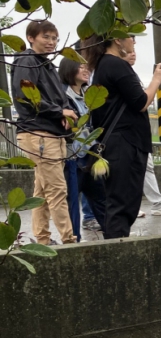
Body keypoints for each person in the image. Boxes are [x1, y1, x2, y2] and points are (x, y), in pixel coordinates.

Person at [82, 33, 161, 239]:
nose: (134, 41)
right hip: (125, 143)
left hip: (115, 143)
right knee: (123, 205)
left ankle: (116, 247)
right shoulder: (115, 65)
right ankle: (117, 252)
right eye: (131, 36)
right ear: (118, 40)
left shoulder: (103, 65)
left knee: (119, 202)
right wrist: (156, 79)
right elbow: (140, 102)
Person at [12, 20, 78, 245]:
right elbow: (25, 96)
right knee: (57, 190)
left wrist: (66, 113)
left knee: (42, 192)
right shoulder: (27, 60)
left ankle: (43, 238)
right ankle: (69, 239)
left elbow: (60, 98)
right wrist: (59, 111)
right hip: (38, 133)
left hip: (50, 132)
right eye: (46, 37)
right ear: (31, 38)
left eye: (54, 38)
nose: (51, 42)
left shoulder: (46, 64)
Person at [123, 49, 161, 218]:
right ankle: (133, 205)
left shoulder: (130, 74)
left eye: (134, 51)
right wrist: (156, 80)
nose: (133, 53)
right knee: (130, 169)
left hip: (138, 131)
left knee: (145, 167)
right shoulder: (117, 72)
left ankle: (154, 203)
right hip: (127, 132)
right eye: (128, 51)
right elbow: (141, 101)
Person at [58, 57, 107, 237]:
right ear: (69, 69)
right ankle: (73, 240)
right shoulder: (62, 96)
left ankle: (114, 237)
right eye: (81, 67)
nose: (86, 70)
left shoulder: (89, 95)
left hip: (91, 154)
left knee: (101, 198)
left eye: (87, 67)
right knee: (72, 201)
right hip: (73, 156)